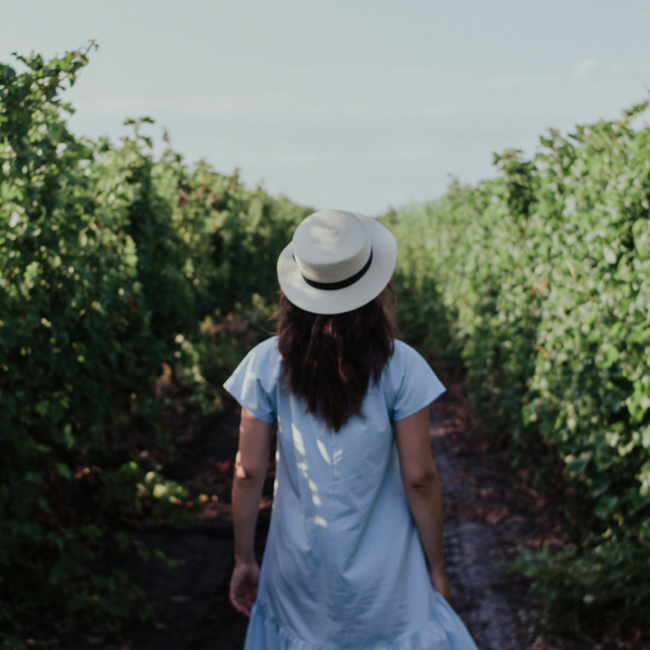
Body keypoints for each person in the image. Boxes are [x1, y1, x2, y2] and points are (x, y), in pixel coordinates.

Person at [224, 209, 478, 649]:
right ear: (375, 287)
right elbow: (420, 479)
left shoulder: (267, 363)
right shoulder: (401, 366)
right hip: (389, 582)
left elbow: (248, 473)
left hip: (298, 576)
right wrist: (436, 568)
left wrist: (244, 558)